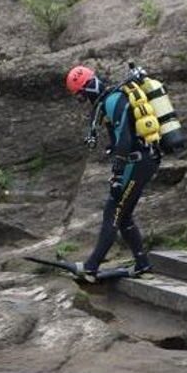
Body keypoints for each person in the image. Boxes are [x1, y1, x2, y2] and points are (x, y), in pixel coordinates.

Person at [65, 64, 160, 281]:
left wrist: (117, 174)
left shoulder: (112, 101)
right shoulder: (115, 98)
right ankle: (142, 264)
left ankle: (90, 267)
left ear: (87, 88)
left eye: (81, 96)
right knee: (123, 215)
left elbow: (125, 140)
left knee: (113, 211)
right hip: (145, 158)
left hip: (137, 162)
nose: (83, 101)